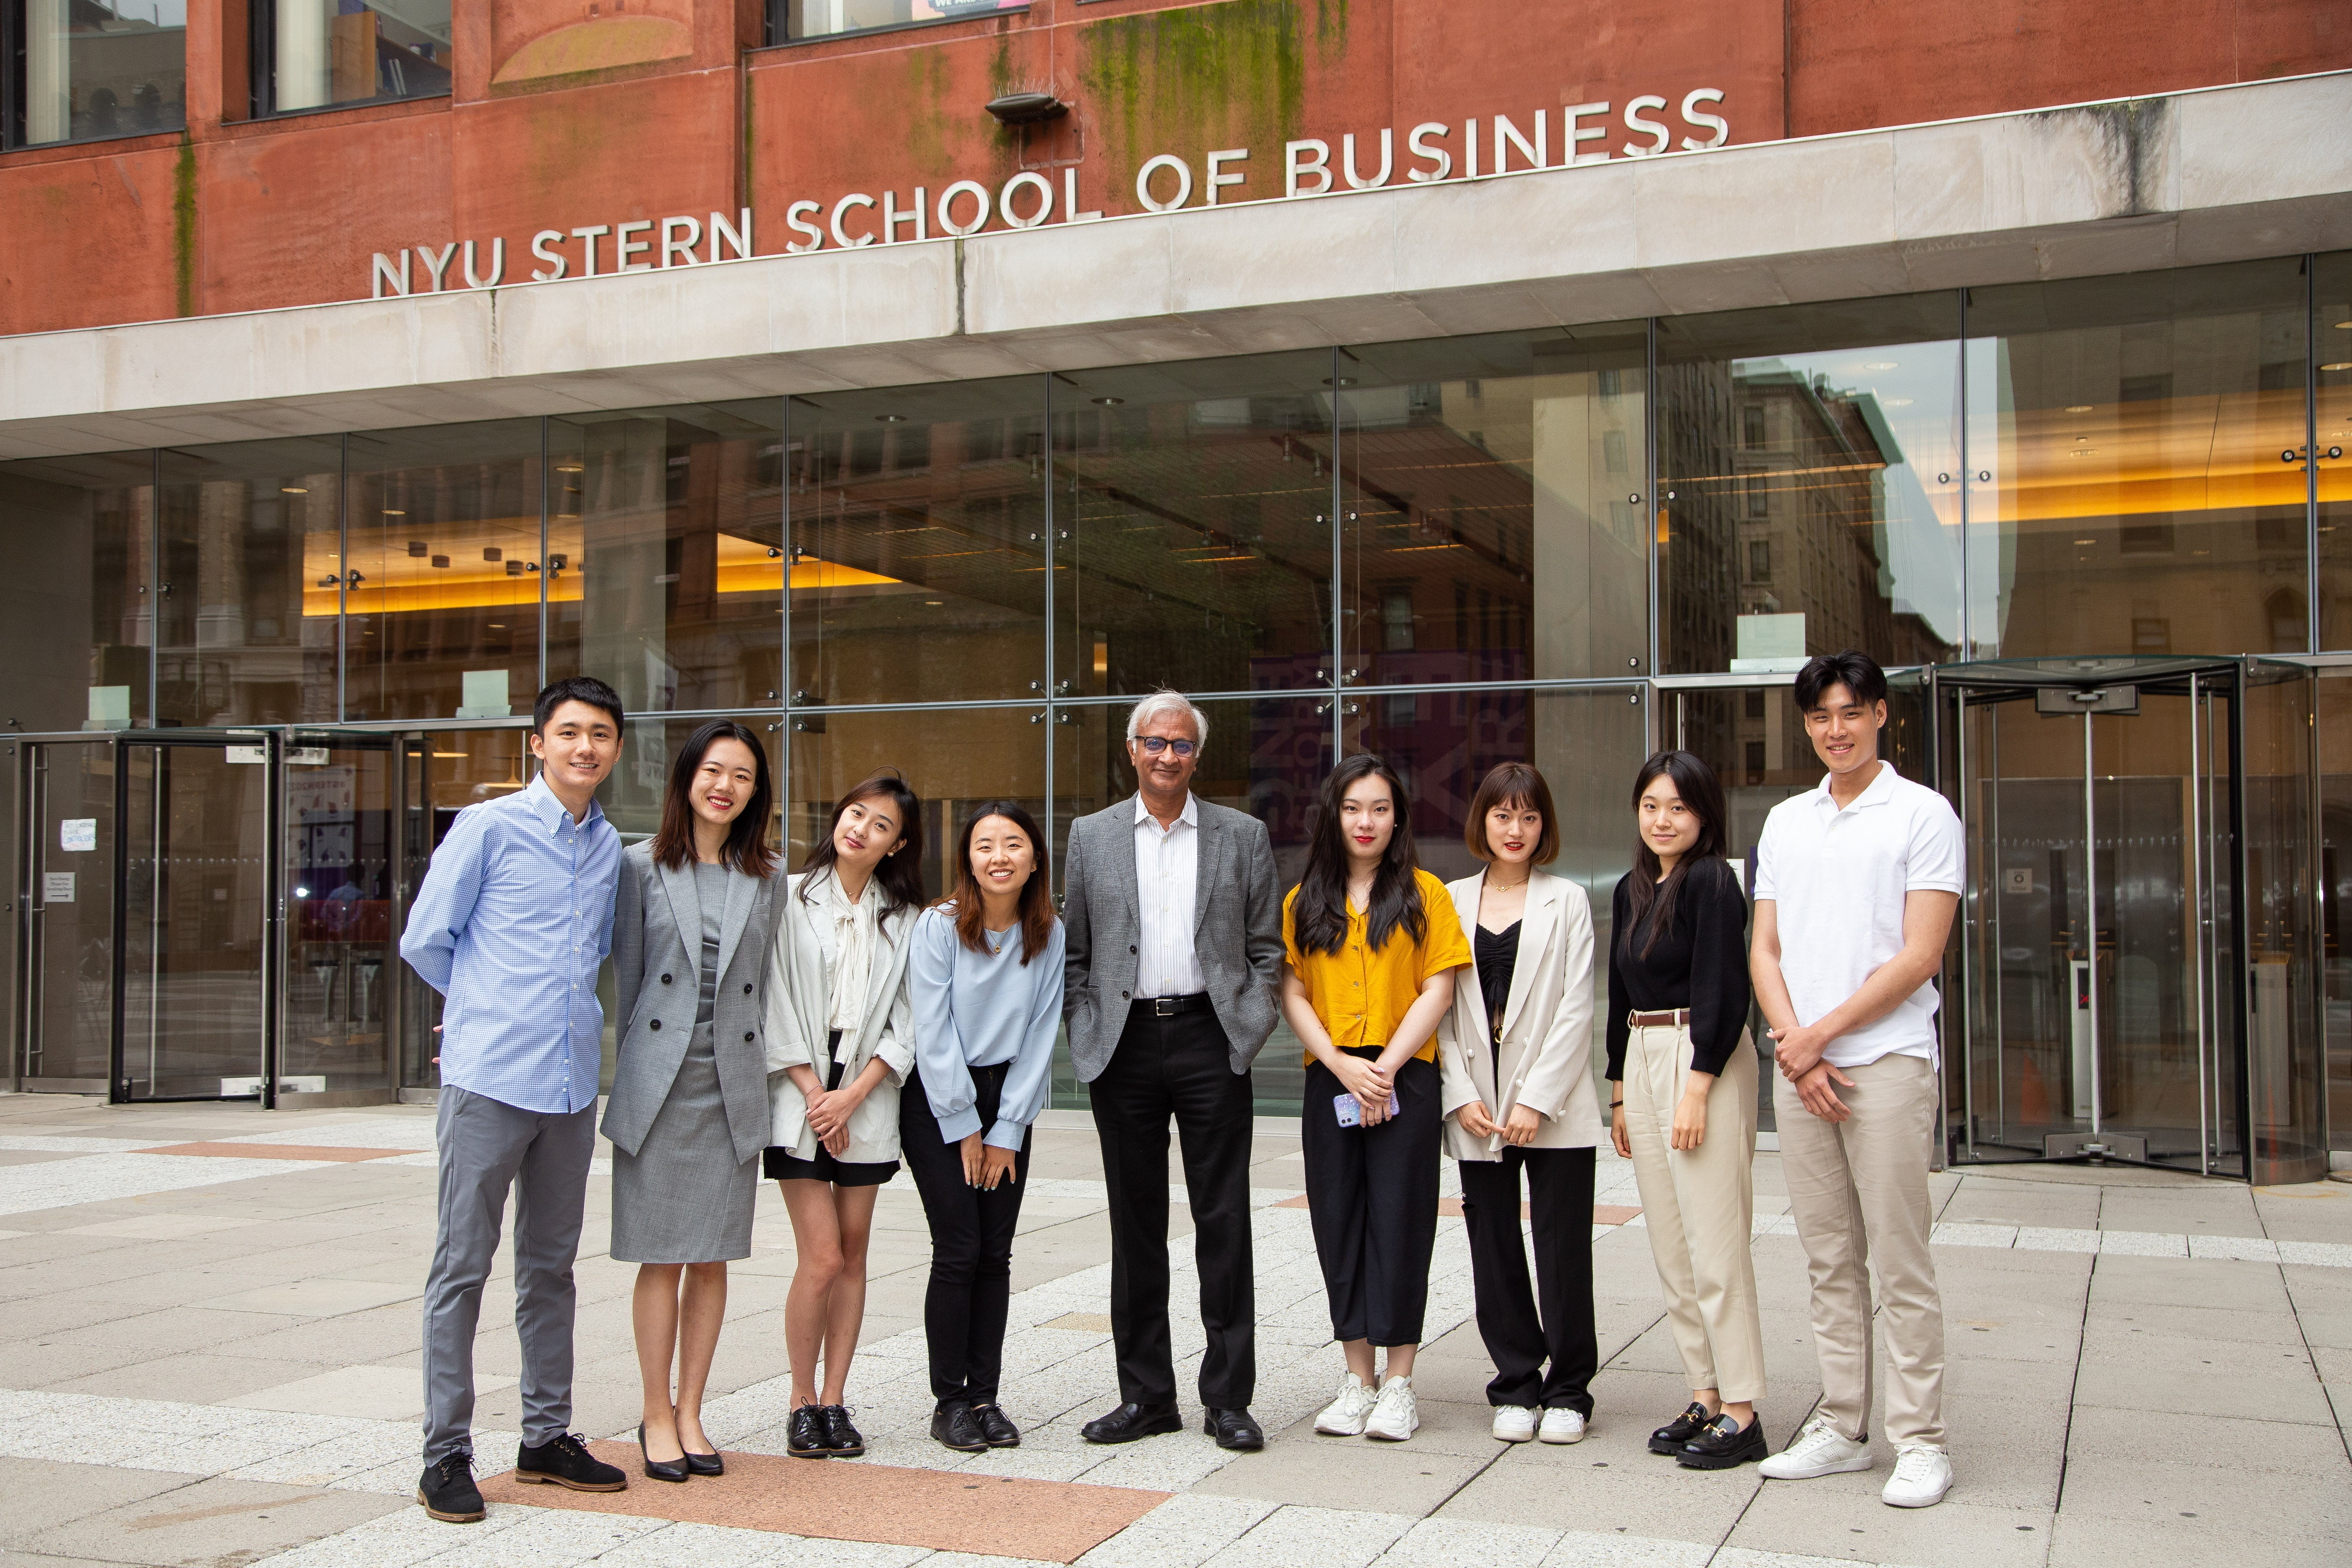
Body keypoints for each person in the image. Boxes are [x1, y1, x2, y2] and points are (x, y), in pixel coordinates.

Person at [401, 676, 632, 1523]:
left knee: (550, 1271)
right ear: (538, 743)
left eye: (601, 734)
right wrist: (474, 1013)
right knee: (461, 1268)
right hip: (489, 1082)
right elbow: (427, 938)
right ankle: (445, 1454)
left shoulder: (609, 848)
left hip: (570, 1088)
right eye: (569, 732)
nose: (585, 747)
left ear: (614, 749)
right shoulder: (488, 828)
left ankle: (544, 1437)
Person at [1751, 651, 1962, 1509]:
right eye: (1818, 717)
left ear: (1881, 714)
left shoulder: (1922, 814)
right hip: (1804, 1068)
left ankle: (1922, 1440)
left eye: (1849, 712)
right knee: (1827, 1257)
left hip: (1886, 1066)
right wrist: (1794, 1044)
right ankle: (1843, 1426)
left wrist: (1818, 1038)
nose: (1834, 730)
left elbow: (1921, 953)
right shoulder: (1786, 822)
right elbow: (1764, 948)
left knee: (1899, 1258)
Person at [1063, 691, 1283, 1453]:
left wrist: (1249, 1025)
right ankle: (1147, 1397)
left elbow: (1266, 946)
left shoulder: (1241, 835)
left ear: (1197, 754)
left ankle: (1228, 1398)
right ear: (1132, 749)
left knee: (1222, 1221)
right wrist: (1085, 1026)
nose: (1167, 756)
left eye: (1181, 745)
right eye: (1154, 743)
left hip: (1208, 1038)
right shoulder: (1089, 837)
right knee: (1136, 1226)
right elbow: (1077, 950)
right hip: (1123, 1044)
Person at [602, 721, 780, 1482]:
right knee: (660, 1259)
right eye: (714, 771)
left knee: (712, 1258)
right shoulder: (637, 867)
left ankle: (693, 1410)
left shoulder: (767, 877)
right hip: (661, 1086)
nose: (726, 787)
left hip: (731, 1084)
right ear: (686, 779)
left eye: (742, 776)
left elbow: (769, 981)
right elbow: (631, 981)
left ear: (754, 792)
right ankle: (653, 1413)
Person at [1283, 753, 1470, 1444]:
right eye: (1354, 808)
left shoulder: (1426, 895)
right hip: (1330, 1079)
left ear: (1398, 818)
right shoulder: (1304, 901)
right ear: (1334, 815)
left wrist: (1383, 1071)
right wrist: (1339, 1065)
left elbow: (1439, 990)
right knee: (1338, 1221)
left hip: (1404, 1078)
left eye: (1381, 809)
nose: (1367, 821)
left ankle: (1399, 1383)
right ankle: (1356, 1377)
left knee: (1400, 1220)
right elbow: (1293, 992)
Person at [1606, 750, 1767, 1470]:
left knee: (1715, 1242)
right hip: (1644, 1053)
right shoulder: (1631, 888)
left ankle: (1743, 1408)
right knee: (1672, 1246)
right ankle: (1704, 1391)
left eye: (1677, 806)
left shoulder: (1712, 881)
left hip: (1701, 1056)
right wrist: (1617, 1088)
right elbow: (1619, 995)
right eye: (1650, 806)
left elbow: (1725, 987)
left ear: (1702, 814)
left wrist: (1698, 1084)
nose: (1662, 819)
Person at [1435, 762, 1601, 1448]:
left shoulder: (1569, 900)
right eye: (1502, 816)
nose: (1515, 829)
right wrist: (1459, 1095)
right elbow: (1437, 1007)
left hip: (1553, 1103)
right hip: (1478, 1102)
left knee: (1563, 1248)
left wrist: (1537, 1098)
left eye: (1529, 817)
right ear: (1483, 821)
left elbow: (1577, 1007)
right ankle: (1514, 1383)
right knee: (1493, 1245)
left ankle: (1568, 1390)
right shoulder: (1447, 899)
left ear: (1545, 826)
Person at [765, 770, 925, 1460]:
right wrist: (814, 1094)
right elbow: (767, 997)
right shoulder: (788, 898)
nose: (860, 828)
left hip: (868, 1089)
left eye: (879, 824)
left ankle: (835, 1400)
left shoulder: (909, 918)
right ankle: (801, 1401)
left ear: (897, 845)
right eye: (855, 813)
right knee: (822, 1256)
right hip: (799, 1083)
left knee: (855, 1255)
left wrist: (854, 1095)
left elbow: (910, 1021)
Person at [904, 801, 1063, 1452]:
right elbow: (930, 1027)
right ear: (968, 857)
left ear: (1034, 858)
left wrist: (1008, 1127)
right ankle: (950, 1402)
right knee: (959, 1249)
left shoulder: (1050, 930)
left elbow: (1043, 1029)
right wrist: (966, 1123)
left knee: (996, 1254)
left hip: (1008, 1098)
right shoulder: (939, 925)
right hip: (941, 1095)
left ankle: (986, 1397)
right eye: (985, 845)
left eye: (1014, 844)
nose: (1000, 857)